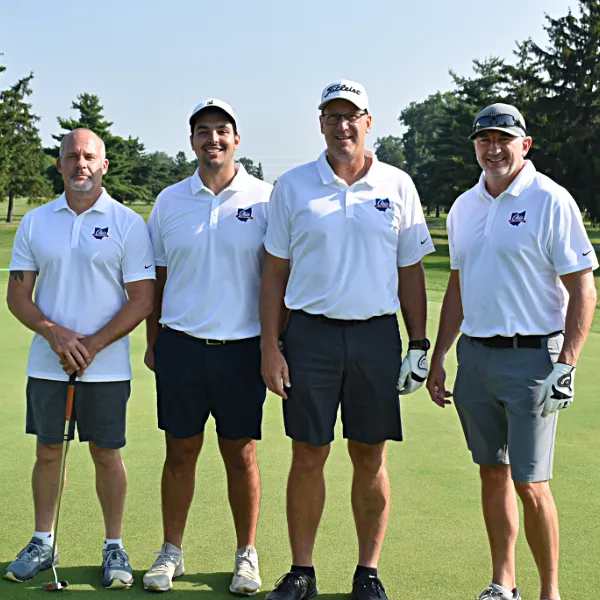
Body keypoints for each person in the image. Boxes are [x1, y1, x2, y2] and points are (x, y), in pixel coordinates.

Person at [260, 79, 435, 600]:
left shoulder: (397, 184)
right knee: (308, 453)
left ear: (368, 122)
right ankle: (302, 572)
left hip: (375, 336)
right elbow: (274, 272)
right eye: (333, 117)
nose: (342, 126)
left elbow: (410, 271)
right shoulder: (293, 186)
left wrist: (419, 343)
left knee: (370, 456)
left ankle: (368, 573)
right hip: (308, 336)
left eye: (351, 116)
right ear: (321, 124)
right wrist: (270, 345)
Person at [426, 103, 598, 600]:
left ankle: (550, 592)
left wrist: (567, 363)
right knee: (492, 472)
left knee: (531, 483)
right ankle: (504, 583)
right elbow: (458, 286)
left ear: (525, 144)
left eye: (504, 139)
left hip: (534, 360)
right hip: (476, 358)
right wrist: (439, 356)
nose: (494, 148)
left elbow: (583, 288)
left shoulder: (550, 199)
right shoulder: (464, 207)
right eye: (484, 139)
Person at [4, 128, 155, 589]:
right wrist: (54, 333)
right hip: (48, 363)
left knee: (106, 454)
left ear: (103, 165)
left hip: (105, 367)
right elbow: (17, 295)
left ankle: (114, 545)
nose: (80, 163)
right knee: (48, 451)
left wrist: (91, 345)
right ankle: (42, 541)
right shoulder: (36, 222)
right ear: (60, 164)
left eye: (89, 156)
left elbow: (142, 299)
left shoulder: (128, 223)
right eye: (72, 156)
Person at [143, 99, 272, 594]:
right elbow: (157, 278)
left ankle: (246, 555)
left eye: (221, 130)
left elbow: (276, 278)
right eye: (203, 130)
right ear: (192, 140)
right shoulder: (170, 201)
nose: (212, 139)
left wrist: (274, 344)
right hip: (181, 345)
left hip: (242, 349)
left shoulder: (265, 198)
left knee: (241, 453)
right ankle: (171, 552)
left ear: (236, 139)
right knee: (179, 451)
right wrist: (154, 342)